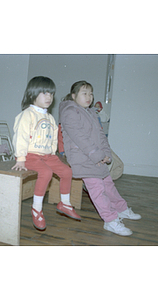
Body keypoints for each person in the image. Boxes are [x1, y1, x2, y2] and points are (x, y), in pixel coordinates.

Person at [59, 80, 141, 236]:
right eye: (84, 93)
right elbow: (80, 138)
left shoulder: (91, 112)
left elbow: (101, 136)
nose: (89, 97)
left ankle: (121, 209)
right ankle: (110, 221)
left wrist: (106, 153)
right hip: (82, 158)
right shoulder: (70, 112)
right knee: (97, 190)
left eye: (91, 93)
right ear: (74, 95)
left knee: (108, 185)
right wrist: (97, 155)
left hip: (96, 157)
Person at [12, 76, 81, 231]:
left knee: (67, 171)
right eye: (44, 93)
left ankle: (65, 203)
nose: (49, 97)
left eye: (51, 93)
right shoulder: (27, 114)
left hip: (47, 156)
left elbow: (53, 139)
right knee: (46, 172)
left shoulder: (49, 117)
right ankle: (36, 208)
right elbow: (20, 137)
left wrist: (53, 154)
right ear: (32, 94)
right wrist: (21, 158)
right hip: (29, 155)